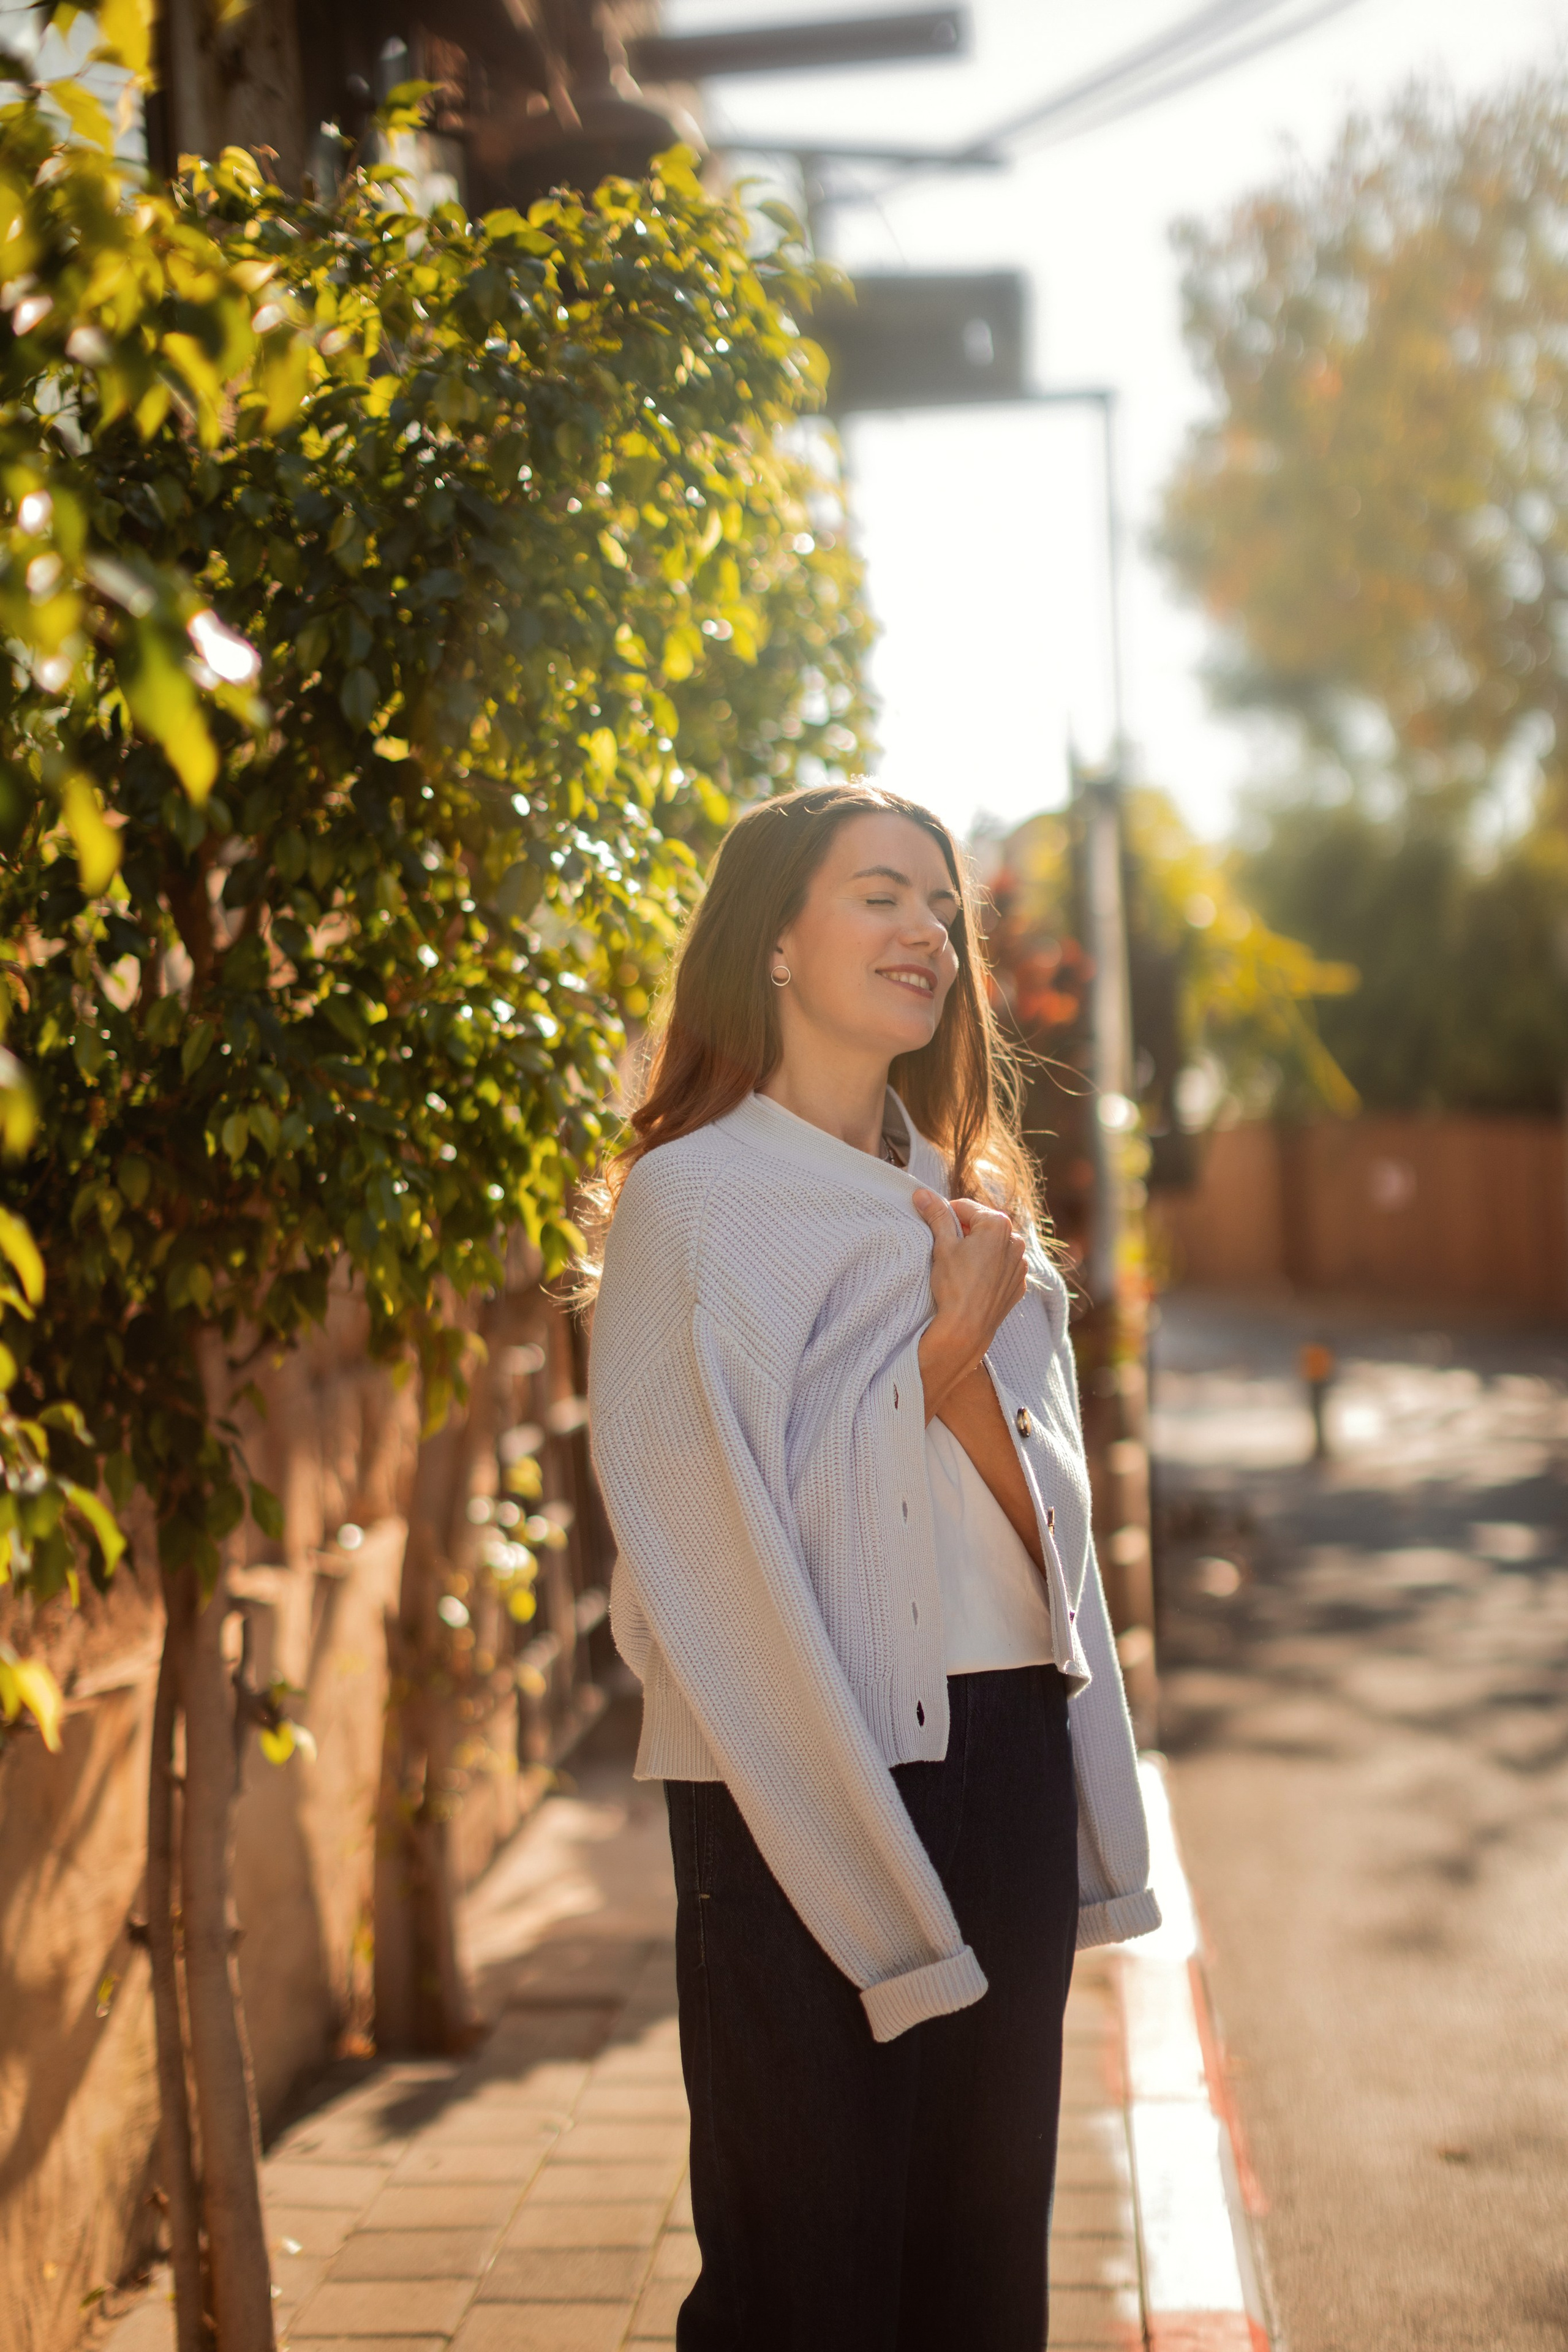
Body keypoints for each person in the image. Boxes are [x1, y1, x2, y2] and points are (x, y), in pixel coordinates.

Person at [587, 780, 1158, 2352]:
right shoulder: (693, 1200)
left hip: (1004, 1746)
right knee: (804, 2282)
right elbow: (702, 1551)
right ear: (772, 940)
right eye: (880, 895)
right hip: (791, 1758)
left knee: (978, 2276)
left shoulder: (978, 1209)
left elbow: (1049, 1550)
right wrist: (936, 1353)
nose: (928, 934)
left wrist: (958, 1363)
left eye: (942, 908)